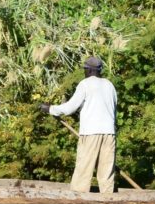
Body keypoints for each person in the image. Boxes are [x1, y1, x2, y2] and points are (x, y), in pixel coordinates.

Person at [39, 56, 117, 193]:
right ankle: (108, 199)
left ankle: (79, 200)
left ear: (88, 70)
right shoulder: (110, 85)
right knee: (106, 171)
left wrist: (51, 109)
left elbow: (70, 108)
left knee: (83, 169)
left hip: (90, 133)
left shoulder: (85, 84)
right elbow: (114, 108)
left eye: (85, 69)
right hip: (109, 133)